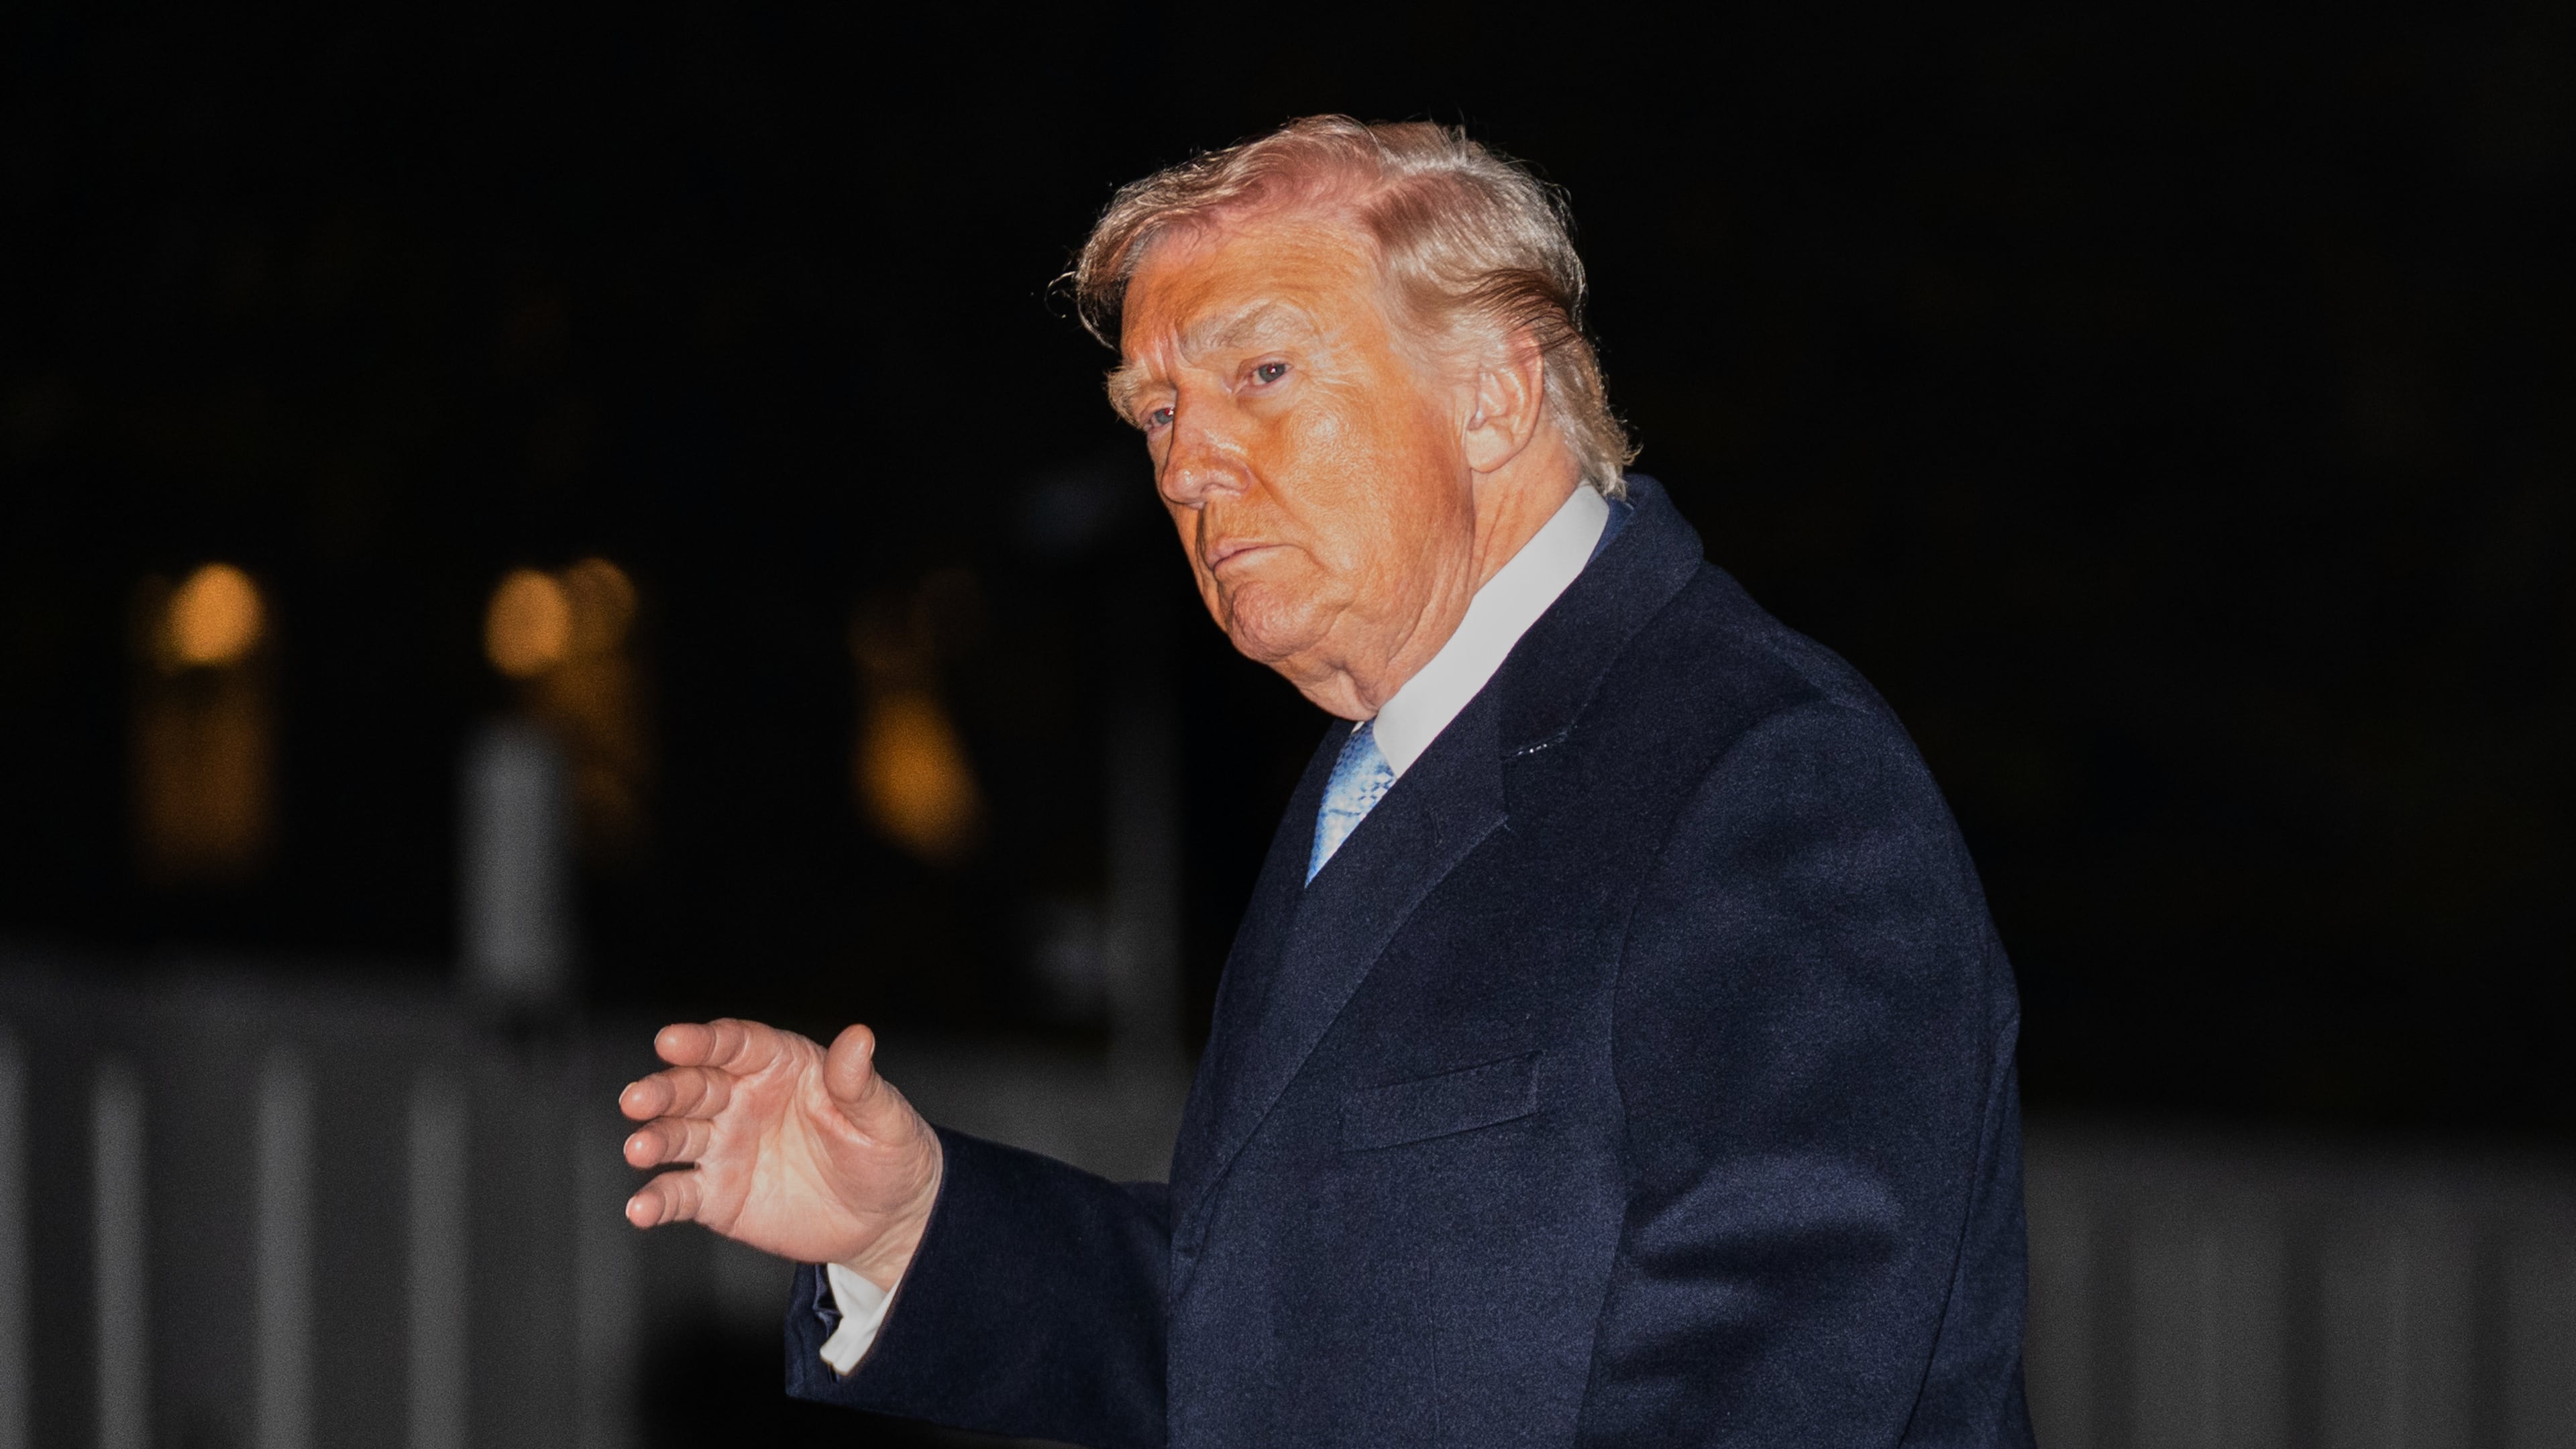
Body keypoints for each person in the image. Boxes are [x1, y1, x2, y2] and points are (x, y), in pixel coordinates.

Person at [617, 116, 2034, 1448]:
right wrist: (910, 1226)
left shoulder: (1763, 769)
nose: (1187, 465)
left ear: (1494, 394)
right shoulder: (1376, 779)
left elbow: (1771, 1385)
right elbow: (1281, 1339)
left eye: (1263, 375)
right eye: (1158, 409)